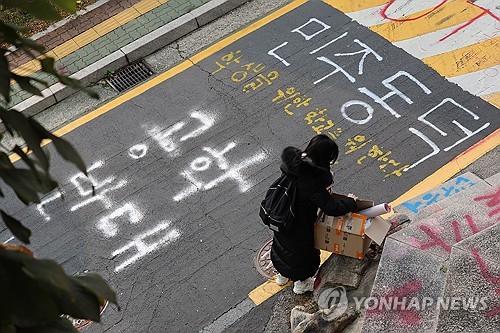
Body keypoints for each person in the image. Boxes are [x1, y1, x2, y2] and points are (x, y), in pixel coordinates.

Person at [270, 134, 358, 294]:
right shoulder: (312, 179)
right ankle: (301, 284)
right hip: (299, 223)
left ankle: (282, 276)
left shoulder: (296, 165)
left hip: (283, 216)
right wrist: (351, 202)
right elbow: (331, 207)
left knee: (283, 246)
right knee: (301, 253)